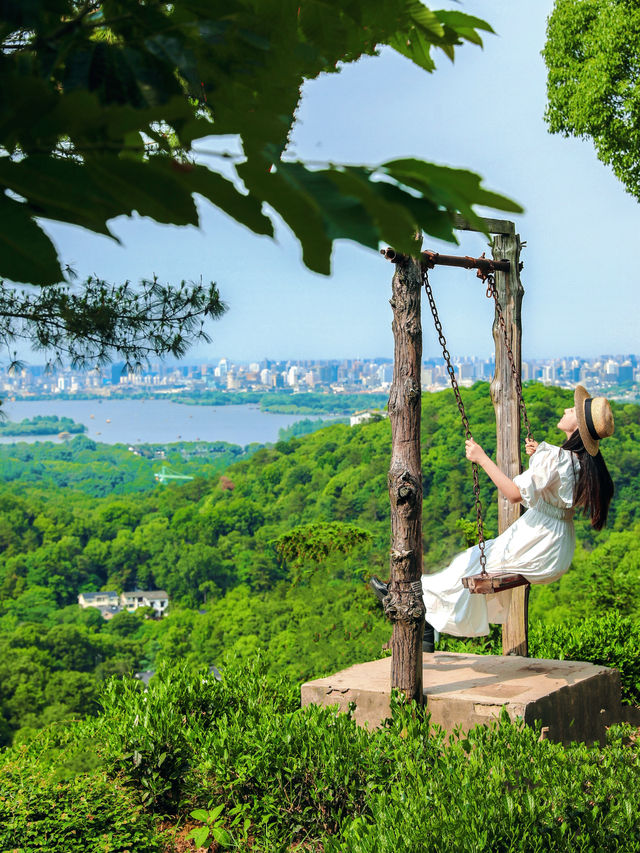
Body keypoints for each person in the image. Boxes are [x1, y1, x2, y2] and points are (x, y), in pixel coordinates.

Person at [370, 385, 615, 649]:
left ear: (578, 425)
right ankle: (421, 610)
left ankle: (408, 597)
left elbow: (512, 494)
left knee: (468, 563)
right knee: (469, 560)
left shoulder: (556, 458)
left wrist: (482, 458)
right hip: (556, 546)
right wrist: (539, 459)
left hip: (537, 541)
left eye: (573, 410)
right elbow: (555, 485)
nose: (567, 409)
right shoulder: (580, 462)